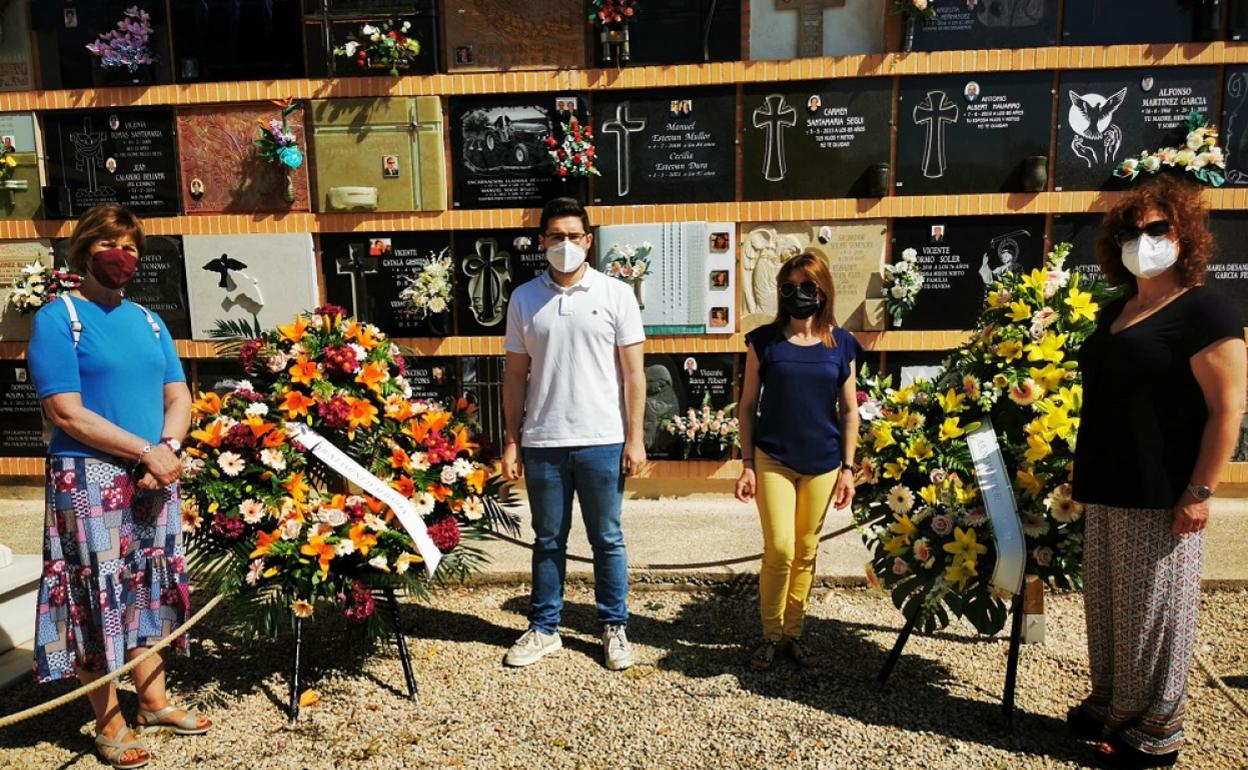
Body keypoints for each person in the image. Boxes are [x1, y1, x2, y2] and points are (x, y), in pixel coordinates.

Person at [1070, 176, 1246, 769]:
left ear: (1184, 235)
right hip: (1107, 482)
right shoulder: (1117, 309)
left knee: (1153, 614)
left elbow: (1228, 408)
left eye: (1155, 229)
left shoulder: (1204, 310)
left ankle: (1153, 732)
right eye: (1129, 231)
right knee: (1109, 608)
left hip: (1161, 491)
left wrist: (1201, 492)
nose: (1140, 241)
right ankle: (1113, 702)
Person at [27, 205, 209, 769]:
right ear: (84, 250)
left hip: (155, 474)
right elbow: (66, 412)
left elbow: (178, 395)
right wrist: (144, 450)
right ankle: (108, 717)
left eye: (130, 247)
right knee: (95, 593)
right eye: (109, 243)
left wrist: (169, 451)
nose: (121, 255)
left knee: (149, 585)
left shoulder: (150, 322)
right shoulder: (59, 318)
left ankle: (152, 699)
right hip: (88, 475)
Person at [501, 197, 646, 671]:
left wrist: (635, 437)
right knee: (548, 539)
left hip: (602, 438)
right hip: (544, 439)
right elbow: (515, 376)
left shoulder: (616, 295)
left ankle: (614, 626)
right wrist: (511, 440)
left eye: (573, 236)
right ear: (542, 242)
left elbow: (633, 375)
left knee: (607, 538)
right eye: (555, 237)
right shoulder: (524, 298)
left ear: (589, 240)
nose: (565, 245)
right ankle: (544, 628)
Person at [734, 251, 862, 671]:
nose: (798, 295)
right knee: (781, 548)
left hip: (824, 463)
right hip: (773, 459)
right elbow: (747, 405)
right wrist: (747, 463)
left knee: (806, 550)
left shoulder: (841, 344)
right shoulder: (763, 341)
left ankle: (794, 634)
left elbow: (849, 411)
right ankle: (769, 635)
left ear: (823, 291)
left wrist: (848, 468)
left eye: (807, 287)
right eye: (789, 287)